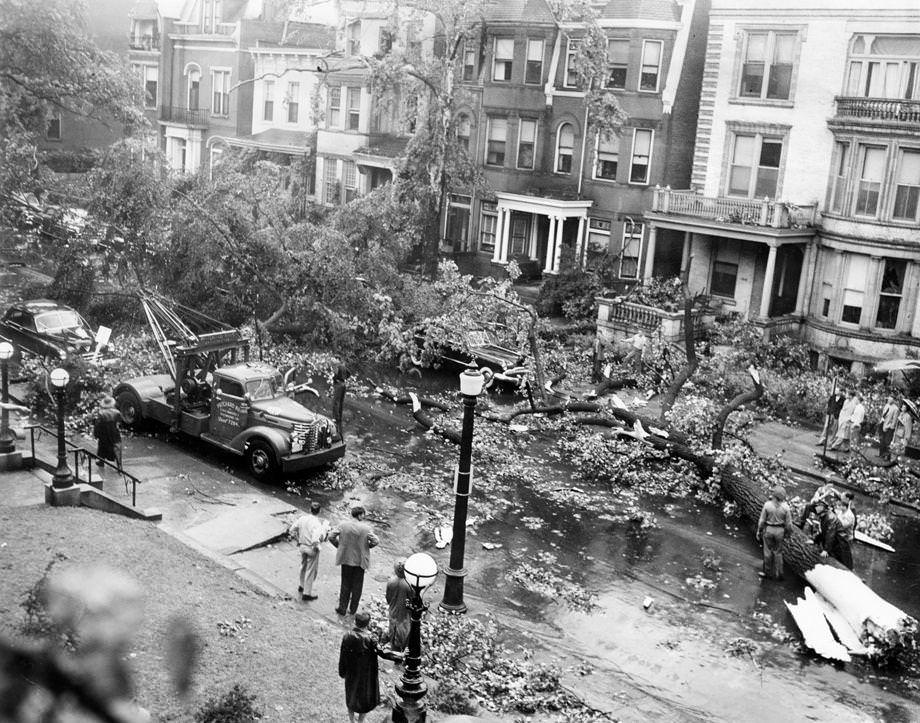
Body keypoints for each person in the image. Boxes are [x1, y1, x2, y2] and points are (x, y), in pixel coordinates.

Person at [338, 610, 400, 722]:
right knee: (364, 699)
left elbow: (343, 655)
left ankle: (351, 720)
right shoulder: (370, 639)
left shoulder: (347, 636)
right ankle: (361, 721)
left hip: (351, 673)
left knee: (351, 697)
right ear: (367, 623)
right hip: (366, 675)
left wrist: (342, 672)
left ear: (355, 621)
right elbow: (383, 653)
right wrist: (400, 655)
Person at [328, 506, 379, 616]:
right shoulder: (366, 528)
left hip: (346, 559)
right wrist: (367, 547)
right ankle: (353, 610)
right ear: (360, 515)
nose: (364, 516)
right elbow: (376, 541)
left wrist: (339, 546)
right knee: (357, 586)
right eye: (363, 514)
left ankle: (342, 608)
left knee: (345, 584)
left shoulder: (343, 525)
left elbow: (331, 536)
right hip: (360, 562)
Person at [289, 501, 329, 600]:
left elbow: (292, 529)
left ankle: (301, 585)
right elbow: (316, 539)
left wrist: (297, 538)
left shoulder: (302, 518)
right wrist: (317, 546)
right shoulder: (318, 523)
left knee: (303, 566)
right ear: (319, 511)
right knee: (311, 570)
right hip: (311, 547)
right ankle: (307, 593)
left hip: (302, 546)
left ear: (309, 509)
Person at [756, 485, 793, 580]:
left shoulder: (767, 505)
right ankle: (779, 574)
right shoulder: (786, 508)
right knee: (778, 552)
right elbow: (789, 524)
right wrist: (788, 534)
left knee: (767, 552)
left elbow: (761, 521)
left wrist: (759, 530)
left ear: (774, 496)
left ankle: (767, 573)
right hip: (780, 531)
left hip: (768, 529)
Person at [384, 560, 412, 652]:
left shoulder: (391, 581)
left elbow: (388, 597)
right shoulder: (409, 585)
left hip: (393, 610)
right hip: (404, 614)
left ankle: (395, 650)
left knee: (392, 629)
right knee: (404, 632)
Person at [92, 395, 123, 477]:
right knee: (117, 448)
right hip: (114, 433)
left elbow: (97, 425)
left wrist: (96, 434)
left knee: (102, 447)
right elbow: (120, 422)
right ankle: (119, 466)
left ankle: (101, 462)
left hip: (104, 433)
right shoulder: (117, 412)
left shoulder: (101, 413)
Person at [813, 500, 848, 566]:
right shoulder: (824, 516)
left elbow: (830, 535)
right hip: (834, 542)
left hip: (840, 544)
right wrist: (815, 540)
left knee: (842, 563)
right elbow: (823, 531)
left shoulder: (830, 518)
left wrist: (826, 550)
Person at [836, 493, 857, 570]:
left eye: (841, 506)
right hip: (841, 535)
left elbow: (843, 525)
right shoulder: (841, 512)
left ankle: (848, 569)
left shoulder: (849, 515)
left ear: (845, 507)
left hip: (847, 537)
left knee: (846, 555)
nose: (839, 507)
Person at [877, 395, 900, 460]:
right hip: (882, 424)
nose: (888, 400)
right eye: (888, 399)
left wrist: (888, 427)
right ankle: (881, 454)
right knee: (881, 440)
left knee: (887, 442)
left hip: (889, 428)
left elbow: (894, 421)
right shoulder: (886, 405)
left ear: (893, 401)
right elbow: (883, 414)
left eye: (890, 399)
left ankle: (887, 457)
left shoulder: (896, 409)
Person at [332, 365, 349, 437]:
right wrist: (345, 378)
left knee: (336, 402)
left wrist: (334, 380)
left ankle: (336, 417)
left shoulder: (337, 366)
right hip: (344, 384)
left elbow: (335, 375)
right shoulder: (344, 366)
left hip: (338, 384)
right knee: (341, 401)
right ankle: (340, 416)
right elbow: (349, 373)